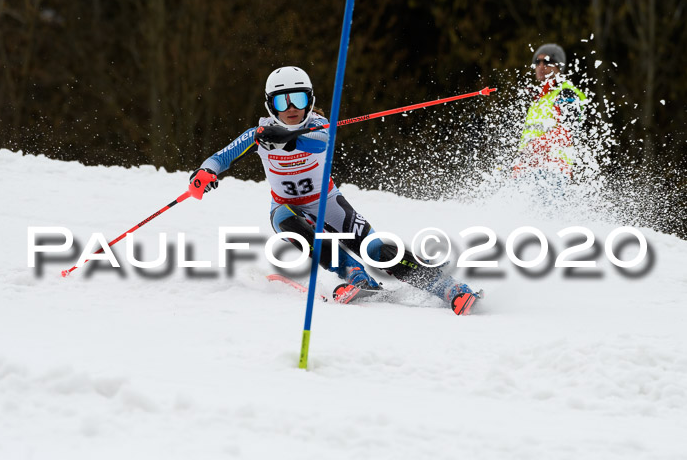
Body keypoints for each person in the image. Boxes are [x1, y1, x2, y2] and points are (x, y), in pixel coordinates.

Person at [190, 66, 479, 312]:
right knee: (285, 222)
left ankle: (446, 286)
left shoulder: (317, 125)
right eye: (282, 102)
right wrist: (205, 173)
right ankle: (353, 274)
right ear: (270, 106)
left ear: (309, 100)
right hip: (286, 205)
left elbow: (319, 143)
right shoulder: (259, 135)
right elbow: (222, 157)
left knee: (376, 249)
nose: (291, 108)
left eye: (298, 99)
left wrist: (287, 139)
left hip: (328, 201)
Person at [513, 43, 587, 193]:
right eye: (537, 62)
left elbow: (567, 132)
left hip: (551, 171)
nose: (541, 66)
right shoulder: (538, 99)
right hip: (526, 172)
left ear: (558, 66)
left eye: (547, 61)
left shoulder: (566, 93)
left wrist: (532, 148)